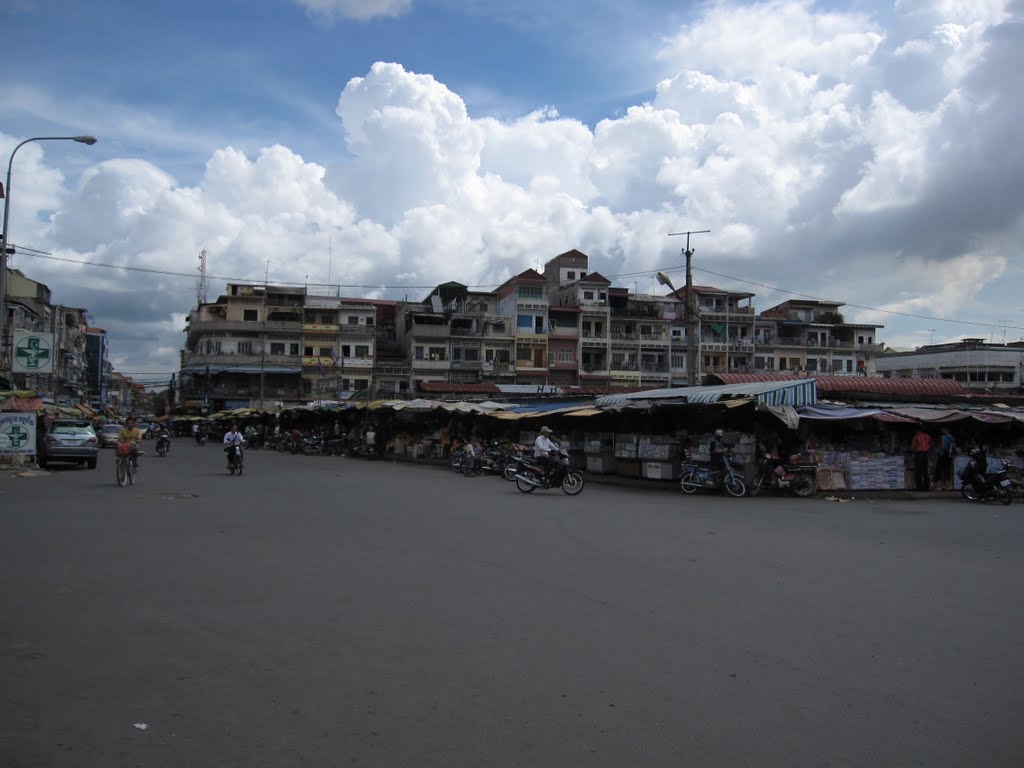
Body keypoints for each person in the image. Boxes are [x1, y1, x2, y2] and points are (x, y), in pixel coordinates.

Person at [911, 427, 932, 491]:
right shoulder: (928, 436)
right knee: (925, 471)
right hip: (925, 454)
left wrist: (914, 451)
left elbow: (913, 446)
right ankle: (926, 487)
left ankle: (919, 487)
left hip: (919, 454)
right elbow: (930, 444)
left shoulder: (916, 437)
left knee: (918, 471)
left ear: (917, 431)